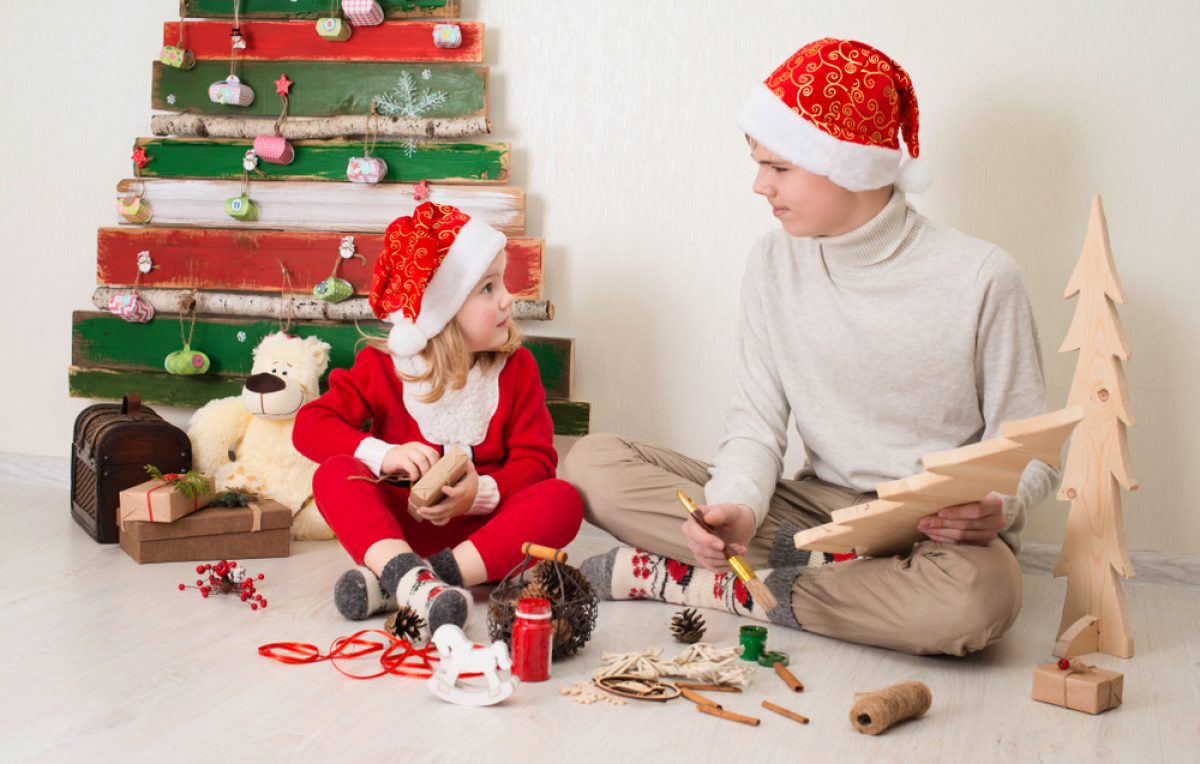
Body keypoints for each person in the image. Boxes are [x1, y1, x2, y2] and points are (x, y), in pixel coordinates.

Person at [564, 38, 1059, 656]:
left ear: (849, 167)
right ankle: (811, 576)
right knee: (590, 464)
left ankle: (710, 587)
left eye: (778, 167)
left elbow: (1033, 448)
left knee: (976, 602)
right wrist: (736, 508)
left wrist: (1000, 505)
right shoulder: (773, 262)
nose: (757, 185)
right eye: (757, 163)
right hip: (817, 512)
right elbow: (755, 423)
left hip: (936, 533)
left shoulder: (984, 276)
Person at [294, 202, 583, 633]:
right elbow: (310, 426)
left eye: (501, 282)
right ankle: (405, 572)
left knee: (563, 500)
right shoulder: (384, 367)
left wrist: (480, 492)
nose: (508, 297)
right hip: (399, 531)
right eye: (487, 288)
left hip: (486, 536)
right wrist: (384, 454)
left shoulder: (517, 369)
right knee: (334, 475)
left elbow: (537, 464)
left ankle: (411, 583)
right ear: (441, 312)